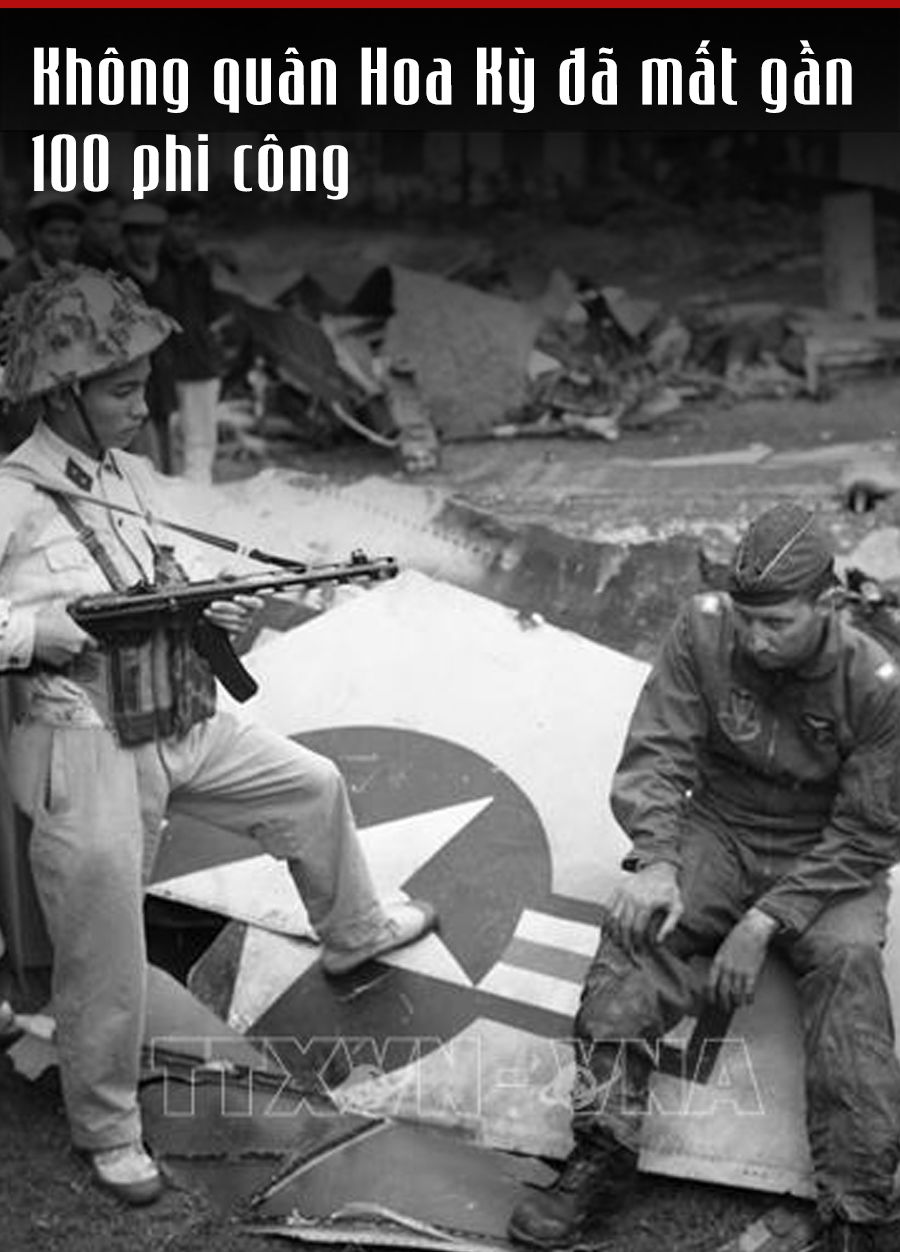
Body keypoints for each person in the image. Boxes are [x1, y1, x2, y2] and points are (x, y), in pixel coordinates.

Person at [0, 267, 438, 1207]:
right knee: (105, 950)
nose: (143, 405)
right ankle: (108, 1128)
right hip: (82, 742)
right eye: (123, 390)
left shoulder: (124, 476)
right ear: (64, 395)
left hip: (173, 709)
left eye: (142, 385)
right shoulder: (12, 497)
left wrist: (219, 608)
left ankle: (353, 929)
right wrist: (32, 633)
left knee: (310, 785)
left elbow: (165, 575)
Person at [507, 504, 900, 1252]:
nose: (755, 638)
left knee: (850, 968)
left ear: (829, 604)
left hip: (825, 849)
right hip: (719, 825)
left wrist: (764, 921)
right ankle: (602, 1155)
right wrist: (657, 859)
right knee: (634, 938)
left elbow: (871, 831)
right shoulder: (704, 628)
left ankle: (860, 1211)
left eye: (777, 622)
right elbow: (658, 752)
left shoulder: (876, 682)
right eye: (748, 619)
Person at [154, 192, 223, 483]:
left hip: (199, 362)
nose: (185, 232)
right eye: (179, 224)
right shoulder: (154, 267)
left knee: (200, 443)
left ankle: (198, 499)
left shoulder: (207, 269)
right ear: (167, 226)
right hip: (161, 365)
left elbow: (216, 314)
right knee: (164, 444)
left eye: (192, 225)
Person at [118, 200, 176, 472]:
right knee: (140, 460)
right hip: (130, 378)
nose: (145, 243)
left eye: (152, 234)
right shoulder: (115, 276)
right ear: (126, 237)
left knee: (166, 455)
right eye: (138, 234)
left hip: (163, 377)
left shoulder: (167, 274)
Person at [0, 192, 84, 303]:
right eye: (55, 233)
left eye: (72, 233)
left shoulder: (85, 272)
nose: (65, 242)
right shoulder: (12, 281)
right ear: (34, 233)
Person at [76, 189, 122, 272]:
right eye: (102, 221)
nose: (110, 228)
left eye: (114, 220)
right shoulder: (72, 269)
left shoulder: (119, 265)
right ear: (81, 224)